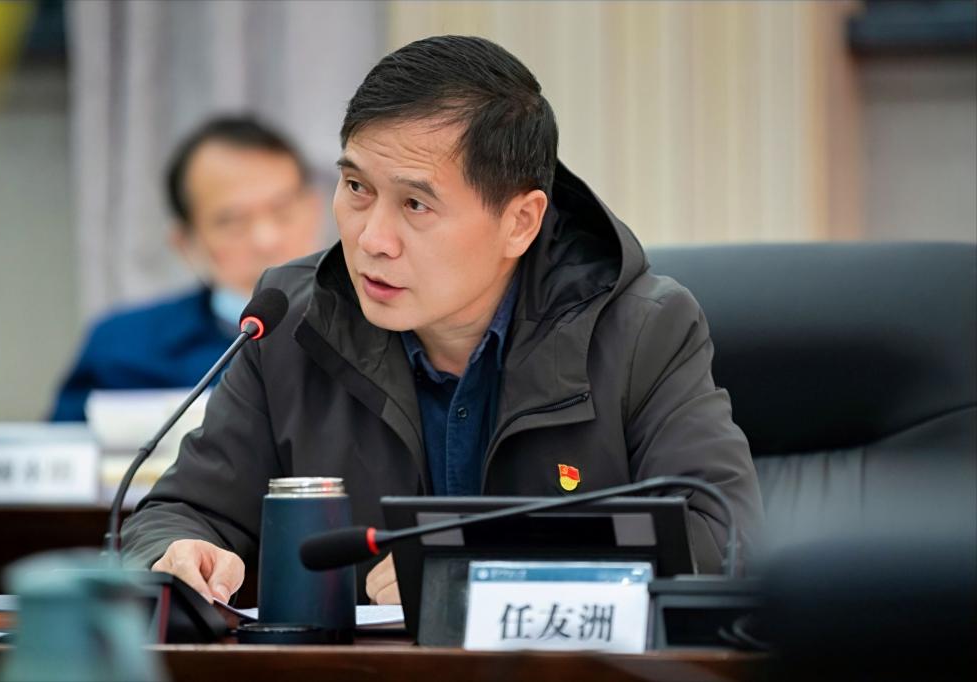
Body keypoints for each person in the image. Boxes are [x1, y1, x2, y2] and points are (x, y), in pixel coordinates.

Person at [122, 36, 764, 606]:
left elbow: (721, 539)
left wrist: (471, 566)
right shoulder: (289, 321)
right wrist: (175, 551)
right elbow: (180, 512)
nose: (372, 239)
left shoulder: (642, 331)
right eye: (357, 189)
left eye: (416, 205)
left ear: (520, 222)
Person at [50, 116, 324, 421]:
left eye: (283, 211)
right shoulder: (121, 349)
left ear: (315, 209)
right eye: (233, 222)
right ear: (185, 243)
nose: (266, 240)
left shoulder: (363, 324)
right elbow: (61, 446)